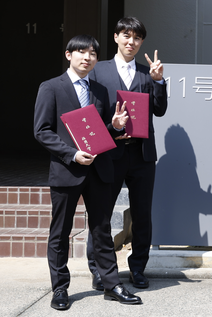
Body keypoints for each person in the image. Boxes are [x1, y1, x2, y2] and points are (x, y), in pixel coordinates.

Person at [33, 35, 142, 310]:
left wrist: (115, 126)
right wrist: (72, 154)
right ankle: (60, 288)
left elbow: (99, 131)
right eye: (81, 52)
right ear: (68, 55)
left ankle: (111, 284)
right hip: (67, 169)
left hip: (99, 169)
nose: (87, 57)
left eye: (92, 53)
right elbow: (42, 131)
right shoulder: (51, 87)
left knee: (102, 230)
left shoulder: (100, 90)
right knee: (60, 232)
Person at [86, 17, 168, 290]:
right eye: (126, 35)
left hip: (142, 155)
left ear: (141, 42)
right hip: (109, 153)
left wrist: (159, 81)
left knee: (142, 215)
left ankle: (138, 267)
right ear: (116, 37)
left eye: (137, 38)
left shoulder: (148, 73)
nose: (131, 42)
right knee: (101, 214)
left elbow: (160, 110)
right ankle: (100, 270)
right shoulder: (98, 71)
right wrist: (110, 128)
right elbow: (91, 112)